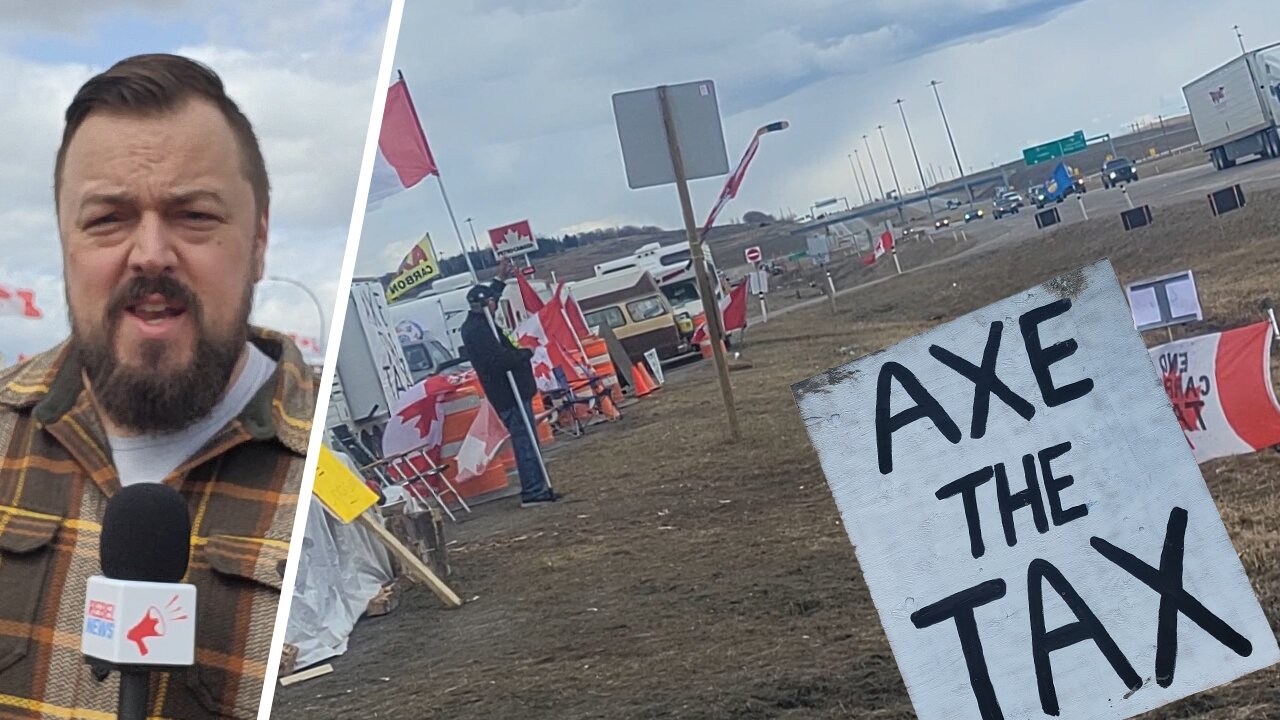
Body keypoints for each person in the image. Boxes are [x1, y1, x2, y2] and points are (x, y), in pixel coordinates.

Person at [0, 54, 314, 719]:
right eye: (108, 218)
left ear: (257, 240)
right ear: (64, 242)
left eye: (194, 215)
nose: (150, 253)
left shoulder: (321, 469)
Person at [459, 262, 558, 507]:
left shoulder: (482, 322)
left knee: (529, 442)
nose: (495, 305)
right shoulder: (478, 331)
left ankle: (538, 486)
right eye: (492, 302)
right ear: (485, 305)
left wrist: (500, 279)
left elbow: (491, 296)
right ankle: (533, 490)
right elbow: (498, 361)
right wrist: (525, 353)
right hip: (508, 394)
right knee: (524, 443)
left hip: (517, 391)